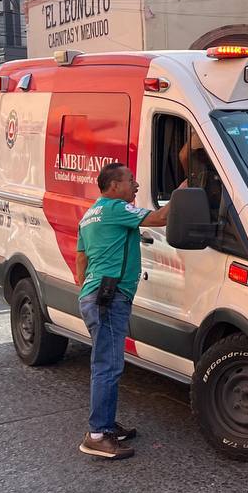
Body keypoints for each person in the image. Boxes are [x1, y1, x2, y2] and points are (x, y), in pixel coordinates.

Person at [75, 162, 170, 460]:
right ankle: (97, 435)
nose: (137, 185)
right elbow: (158, 218)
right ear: (115, 186)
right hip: (109, 296)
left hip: (97, 294)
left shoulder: (90, 214)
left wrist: (86, 291)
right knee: (108, 365)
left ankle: (105, 425)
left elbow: (81, 259)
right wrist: (182, 192)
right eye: (131, 180)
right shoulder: (116, 208)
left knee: (109, 363)